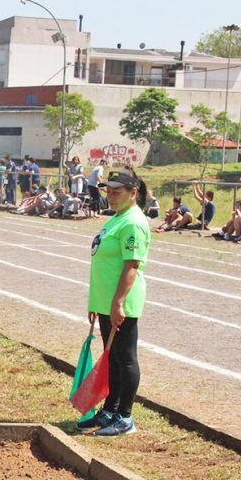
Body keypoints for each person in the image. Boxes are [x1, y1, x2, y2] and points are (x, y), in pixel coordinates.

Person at [78, 170, 150, 438]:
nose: (110, 196)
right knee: (112, 359)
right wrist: (97, 301)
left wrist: (118, 302)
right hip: (107, 301)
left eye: (117, 192)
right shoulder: (117, 219)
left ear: (134, 193)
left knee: (125, 358)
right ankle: (110, 410)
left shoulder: (132, 222)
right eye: (108, 191)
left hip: (122, 302)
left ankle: (125, 417)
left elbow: (132, 266)